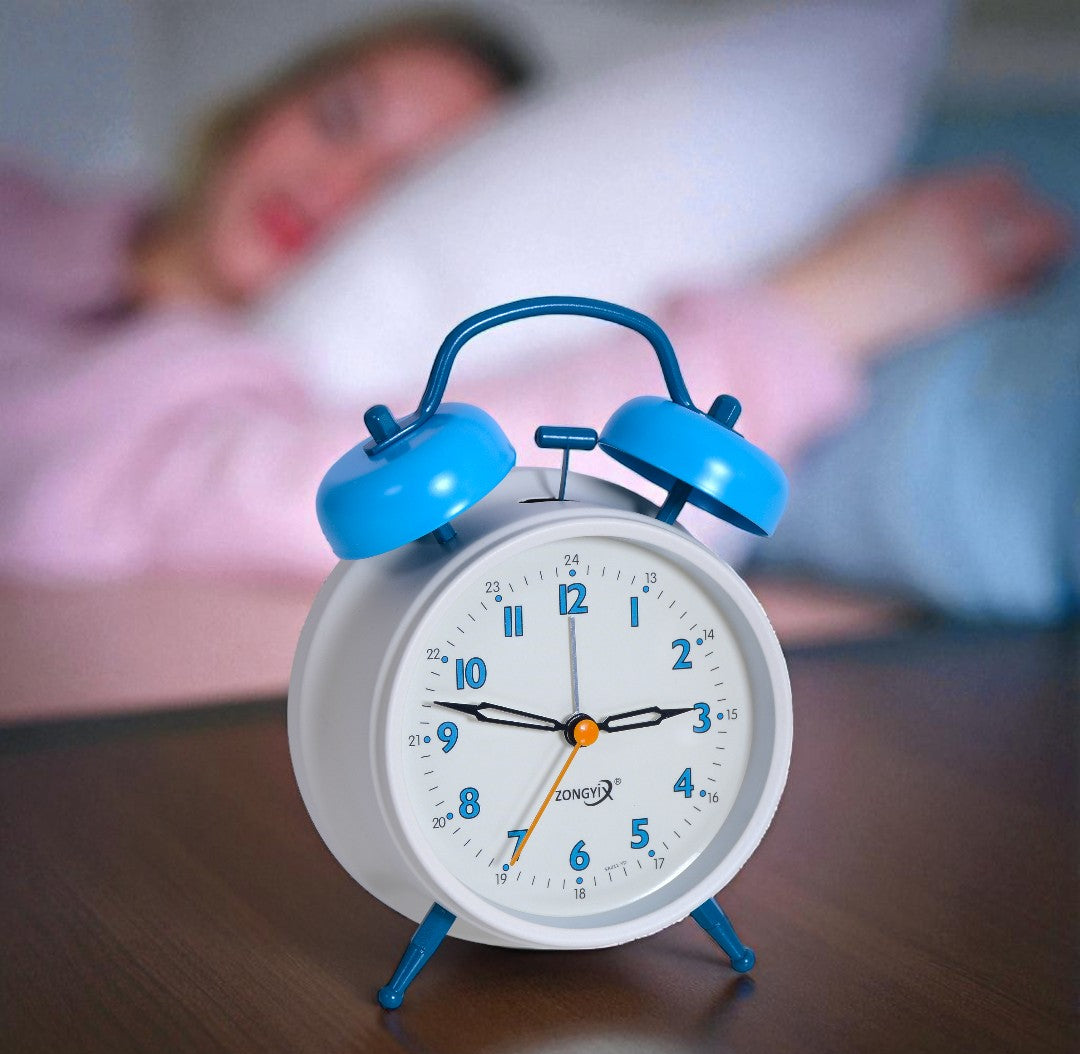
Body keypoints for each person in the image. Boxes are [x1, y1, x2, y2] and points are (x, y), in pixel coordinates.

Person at [0, 11, 1072, 614]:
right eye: (339, 118)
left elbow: (320, 486)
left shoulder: (198, 399)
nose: (339, 183)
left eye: (403, 183)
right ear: (254, 111)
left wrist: (818, 313)